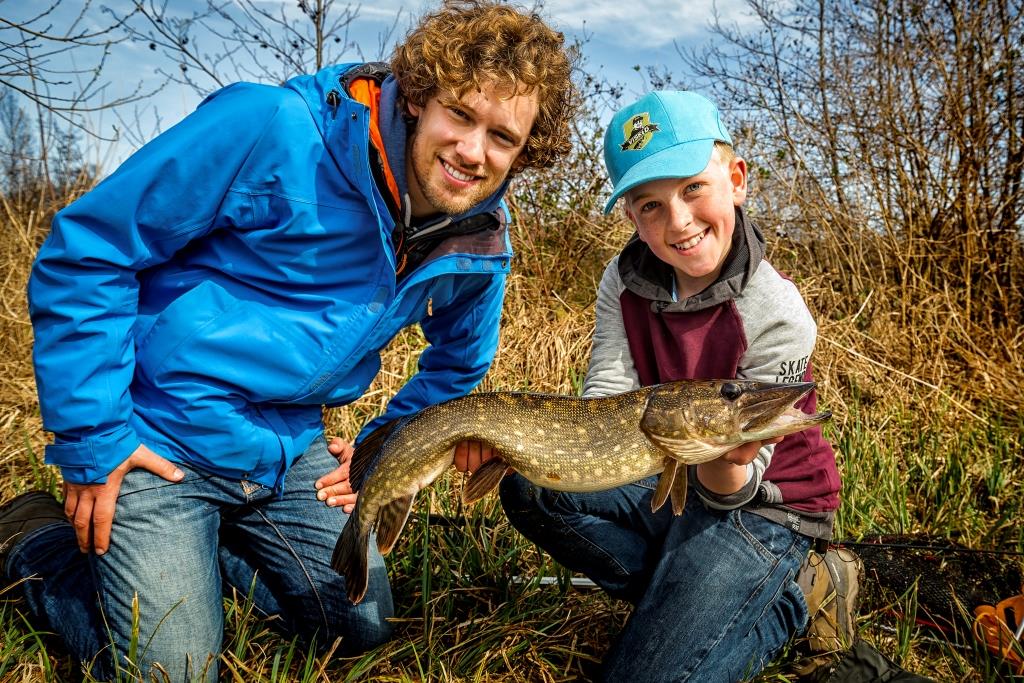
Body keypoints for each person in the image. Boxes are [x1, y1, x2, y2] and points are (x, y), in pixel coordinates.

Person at [0, 1, 576, 680]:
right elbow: (90, 252)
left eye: (503, 137)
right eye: (461, 114)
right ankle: (34, 541)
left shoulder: (481, 242)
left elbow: (458, 363)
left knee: (360, 622)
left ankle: (195, 551)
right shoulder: (272, 129)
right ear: (420, 98)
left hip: (288, 450)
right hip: (162, 433)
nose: (473, 151)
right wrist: (95, 438)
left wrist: (377, 446)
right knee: (175, 671)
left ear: (526, 150)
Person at [499, 90, 859, 682]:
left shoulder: (776, 311)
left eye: (693, 188)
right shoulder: (623, 279)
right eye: (650, 205)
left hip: (764, 508)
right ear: (630, 217)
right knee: (531, 485)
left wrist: (727, 458)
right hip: (671, 469)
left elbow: (733, 490)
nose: (679, 221)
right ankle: (693, 596)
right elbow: (604, 402)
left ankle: (796, 590)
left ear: (736, 178)